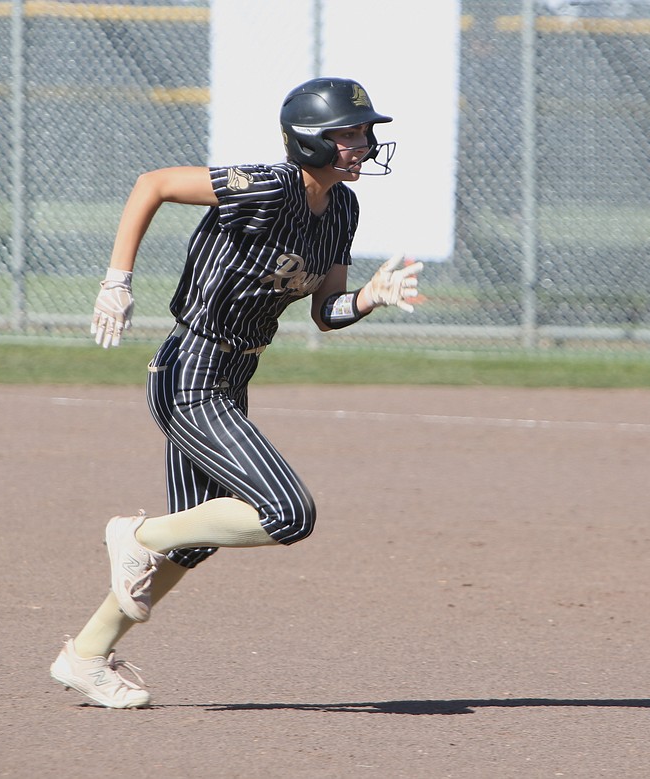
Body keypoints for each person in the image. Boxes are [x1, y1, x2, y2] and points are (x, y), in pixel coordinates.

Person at [50, 77, 423, 708]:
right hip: (192, 371)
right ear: (310, 142)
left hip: (233, 377)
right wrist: (117, 281)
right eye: (349, 134)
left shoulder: (343, 211)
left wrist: (368, 299)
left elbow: (325, 312)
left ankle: (85, 656)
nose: (363, 144)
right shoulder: (269, 188)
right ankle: (135, 537)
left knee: (193, 540)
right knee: (288, 514)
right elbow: (155, 184)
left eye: (364, 133)